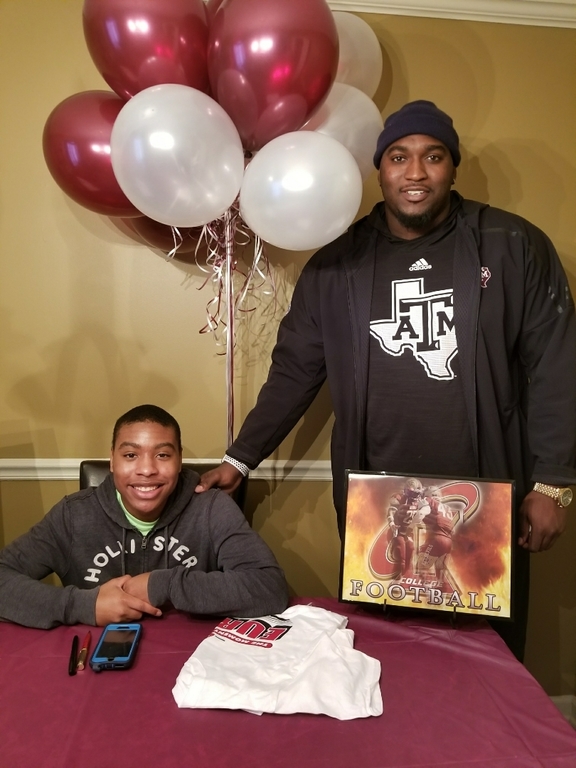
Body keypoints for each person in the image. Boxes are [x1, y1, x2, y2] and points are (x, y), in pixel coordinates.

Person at [196, 100, 576, 659]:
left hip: (483, 496)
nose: (415, 173)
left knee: (486, 660)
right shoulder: (337, 264)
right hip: (377, 502)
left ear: (453, 167)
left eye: (433, 157)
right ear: (380, 170)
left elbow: (556, 363)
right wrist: (241, 458)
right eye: (399, 157)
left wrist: (553, 483)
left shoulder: (512, 244)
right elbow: (295, 371)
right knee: (382, 658)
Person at [0, 404, 289, 629]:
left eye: (162, 455)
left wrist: (163, 585)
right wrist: (83, 605)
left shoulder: (211, 508)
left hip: (191, 661)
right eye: (130, 455)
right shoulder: (73, 515)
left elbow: (269, 588)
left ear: (179, 460)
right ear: (112, 460)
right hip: (94, 661)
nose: (147, 469)